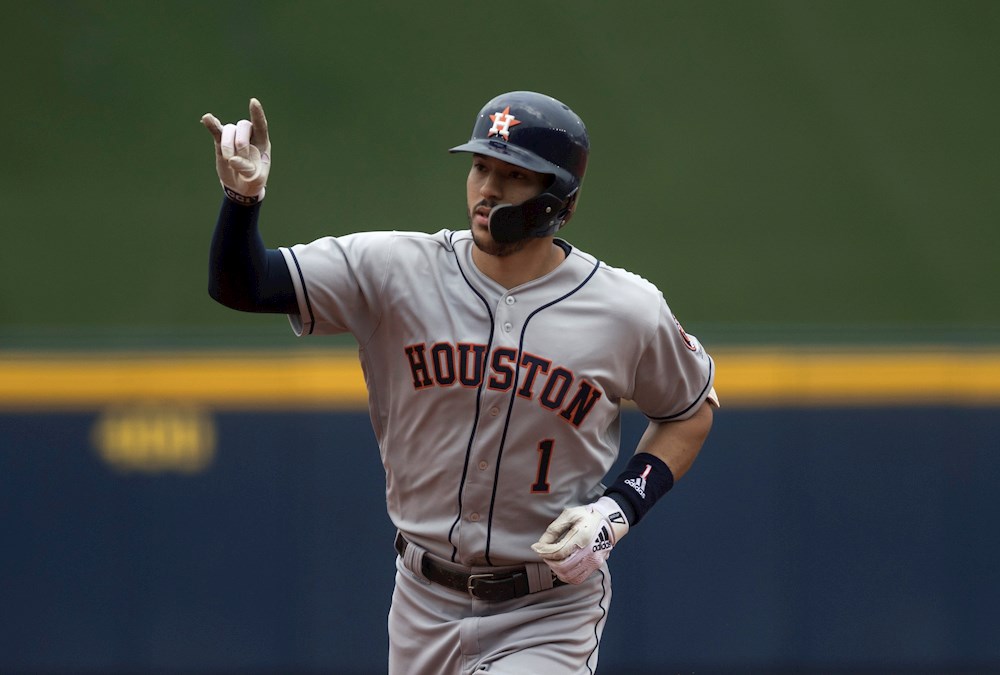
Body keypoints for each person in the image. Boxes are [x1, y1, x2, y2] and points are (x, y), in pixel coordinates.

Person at [201, 91, 718, 674]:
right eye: (480, 167)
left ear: (559, 202)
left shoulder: (626, 310)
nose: (487, 189)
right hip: (423, 601)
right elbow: (243, 285)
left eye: (513, 175)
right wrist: (241, 199)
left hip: (549, 610)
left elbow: (689, 411)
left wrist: (617, 511)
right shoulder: (394, 271)